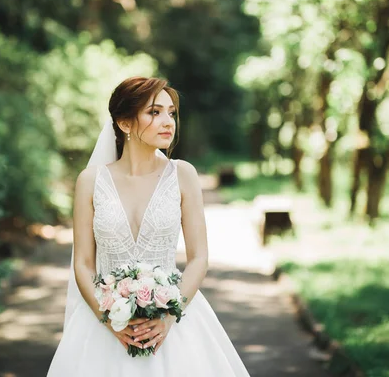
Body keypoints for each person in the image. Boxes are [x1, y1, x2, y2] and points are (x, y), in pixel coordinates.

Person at [46, 77, 250, 376]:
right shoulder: (90, 181)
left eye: (171, 113)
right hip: (103, 326)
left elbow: (198, 258)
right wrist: (109, 319)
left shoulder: (183, 174)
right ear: (125, 123)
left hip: (174, 323)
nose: (168, 121)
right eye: (154, 112)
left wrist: (168, 318)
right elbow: (84, 264)